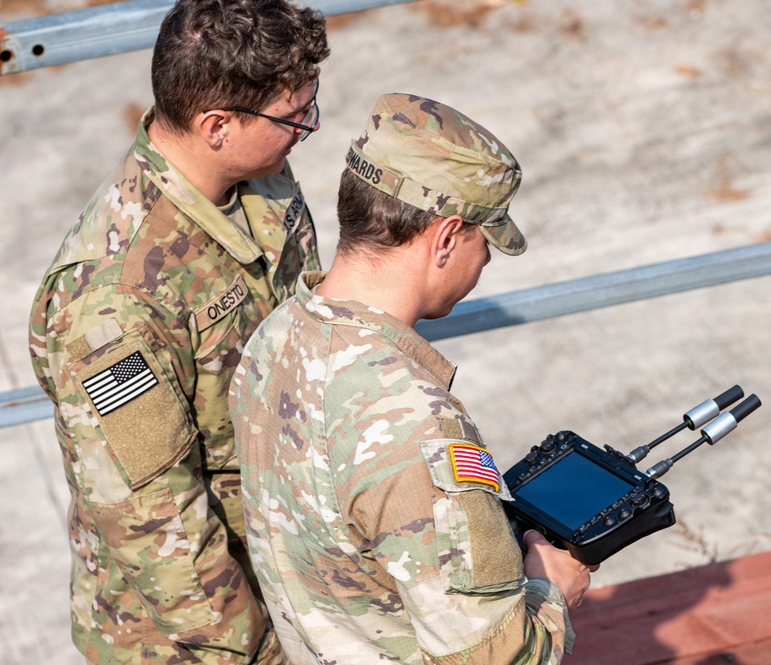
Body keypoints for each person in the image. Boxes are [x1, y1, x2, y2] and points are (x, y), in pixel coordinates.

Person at [229, 93, 595, 664]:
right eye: (485, 241)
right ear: (446, 238)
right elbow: (492, 656)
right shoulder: (413, 422)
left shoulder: (276, 334)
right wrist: (554, 593)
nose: (486, 261)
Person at [27, 0, 329, 662]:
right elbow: (155, 519)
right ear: (216, 125)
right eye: (294, 116)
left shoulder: (259, 176)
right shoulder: (112, 303)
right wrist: (257, 652)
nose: (308, 127)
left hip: (287, 558)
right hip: (203, 633)